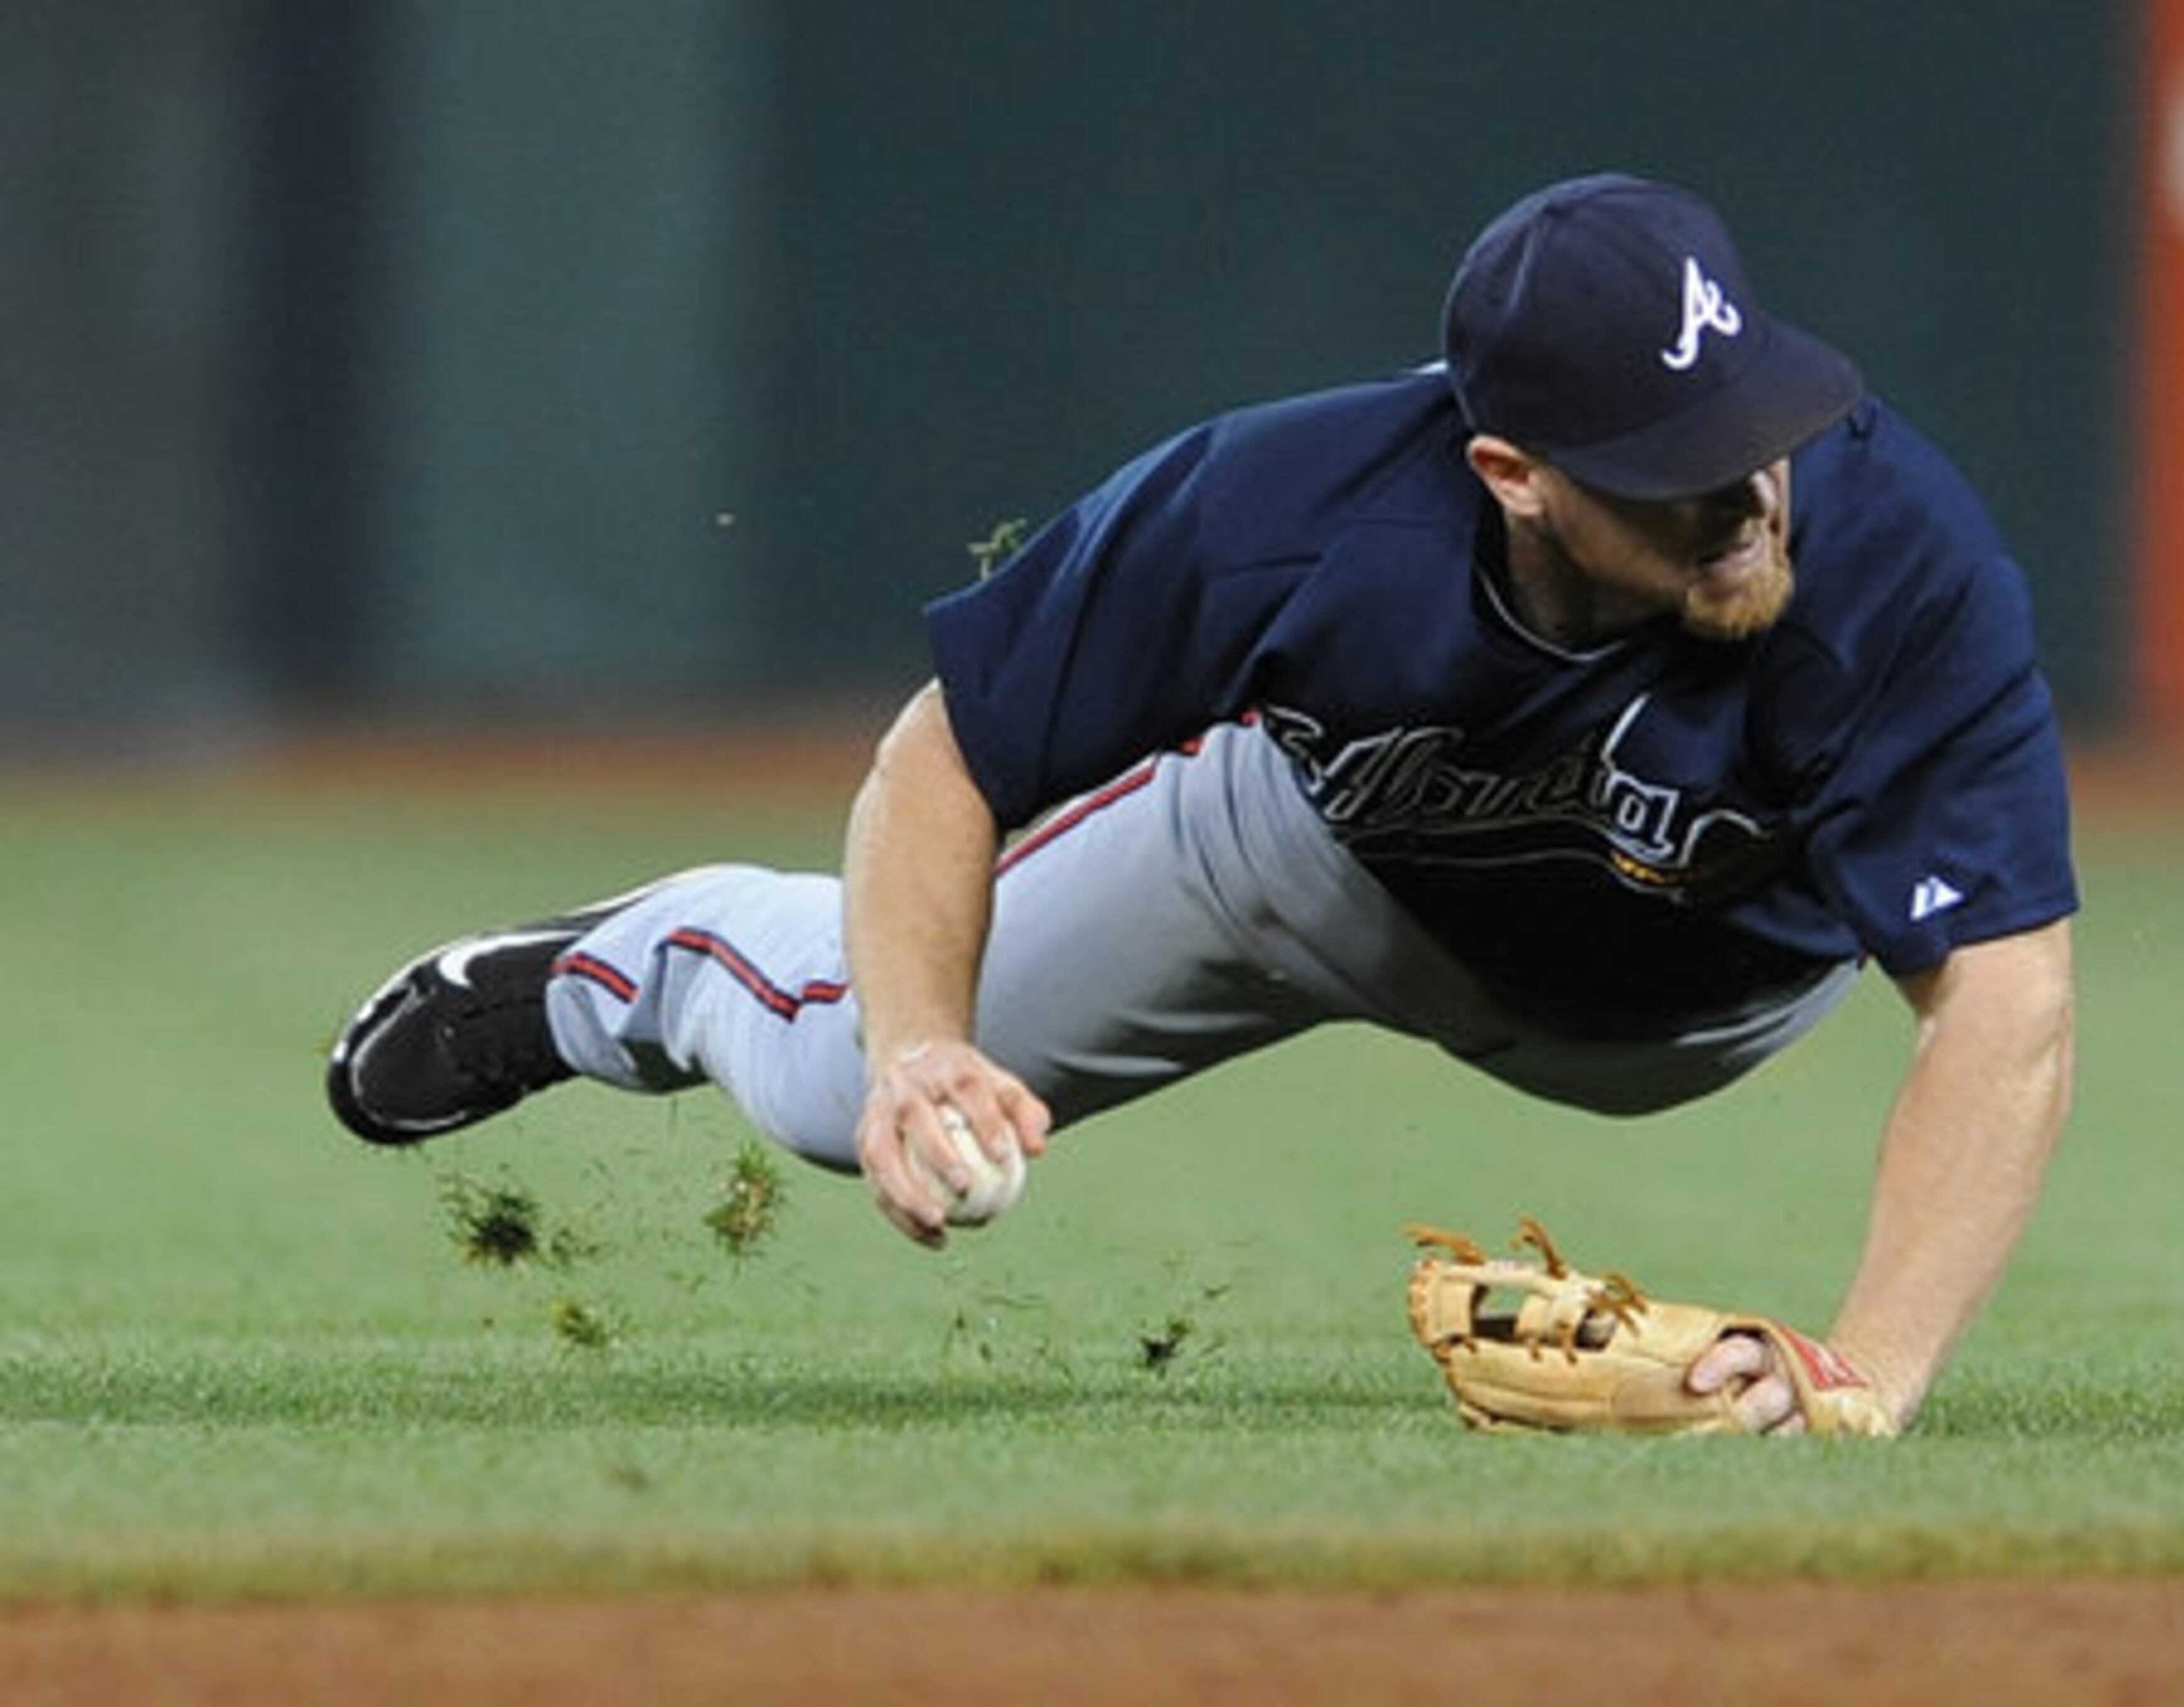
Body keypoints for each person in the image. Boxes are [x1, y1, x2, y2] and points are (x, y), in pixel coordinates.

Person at [327, 173, 2077, 1435]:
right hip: (1303, 865)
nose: (1747, 499)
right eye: (1677, 479)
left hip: (1687, 1003)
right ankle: (607, 974)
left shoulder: (1892, 563)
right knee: (835, 1076)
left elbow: (2003, 1000)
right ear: (1512, 476)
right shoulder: (1281, 510)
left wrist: (1866, 1368)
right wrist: (926, 1042)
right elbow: (947, 757)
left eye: (1757, 429)